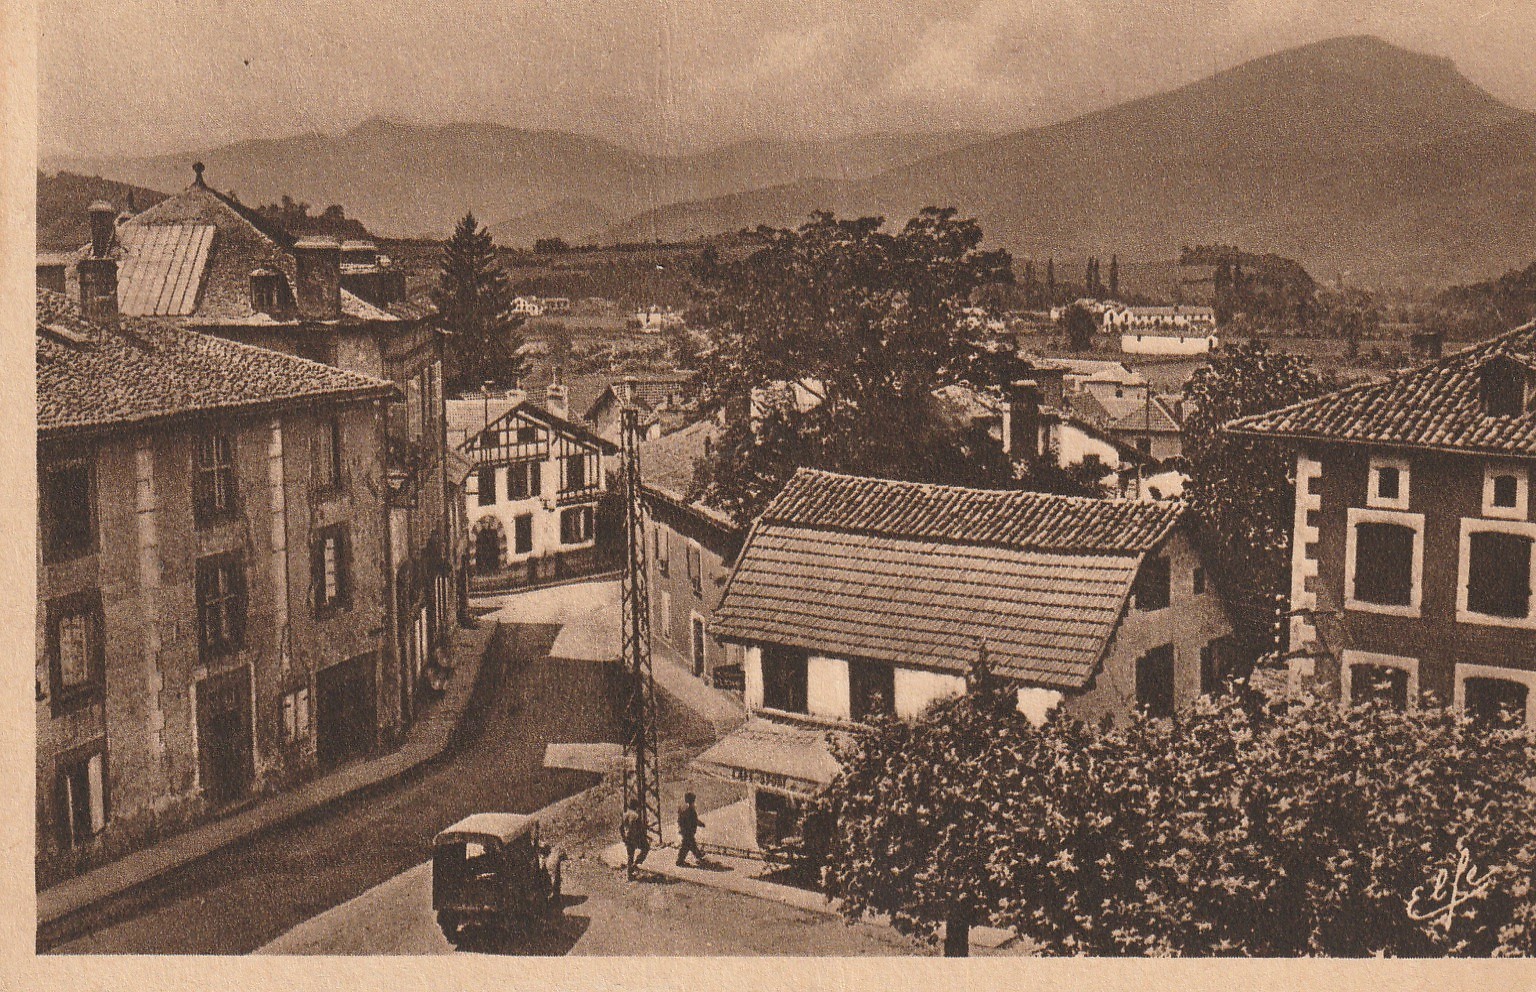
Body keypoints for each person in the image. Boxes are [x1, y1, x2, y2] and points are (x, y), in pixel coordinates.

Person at [676, 792, 706, 867]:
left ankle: (698, 856)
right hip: (689, 831)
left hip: (684, 830)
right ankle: (680, 861)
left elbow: (680, 819)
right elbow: (695, 820)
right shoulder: (691, 810)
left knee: (689, 844)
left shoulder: (683, 808)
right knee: (687, 845)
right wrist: (701, 824)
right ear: (693, 800)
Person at [622, 799, 649, 880]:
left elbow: (621, 827)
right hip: (635, 837)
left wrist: (623, 837)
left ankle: (629, 875)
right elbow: (639, 829)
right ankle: (636, 863)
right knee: (646, 848)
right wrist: (644, 837)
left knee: (630, 856)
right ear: (636, 806)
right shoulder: (636, 816)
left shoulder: (625, 814)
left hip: (627, 837)